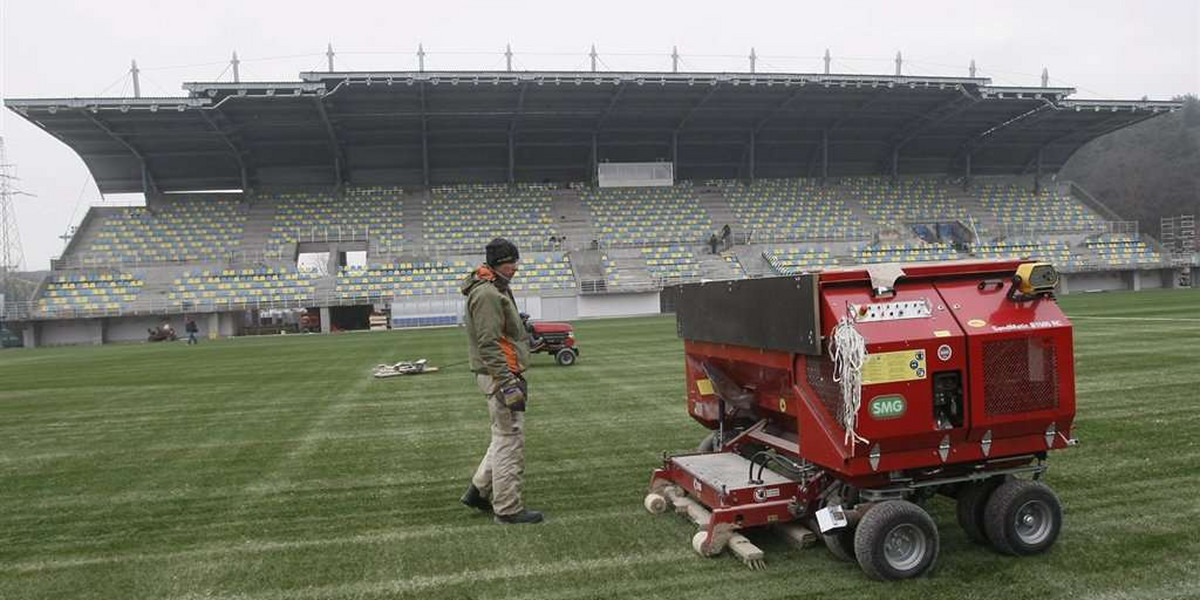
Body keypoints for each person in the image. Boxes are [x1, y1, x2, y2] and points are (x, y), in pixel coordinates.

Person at [459, 238, 543, 525]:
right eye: (511, 262)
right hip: (500, 376)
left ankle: (478, 492)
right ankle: (507, 509)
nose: (516, 268)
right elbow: (488, 343)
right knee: (510, 441)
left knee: (501, 436)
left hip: (499, 374)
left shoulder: (494, 288)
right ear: (497, 264)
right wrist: (507, 382)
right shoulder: (487, 295)